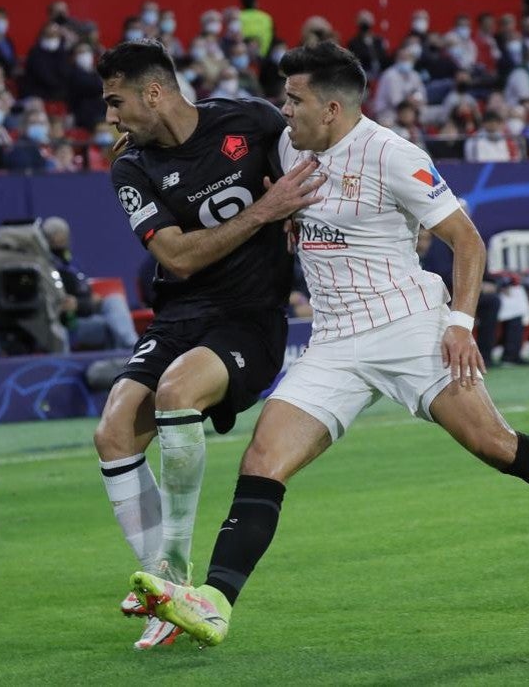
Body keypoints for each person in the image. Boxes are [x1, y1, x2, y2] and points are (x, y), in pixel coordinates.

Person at [130, 42, 529, 648]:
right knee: (262, 463)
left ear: (333, 108)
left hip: (409, 326)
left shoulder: (394, 155)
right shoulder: (289, 146)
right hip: (335, 340)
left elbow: (467, 242)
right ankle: (214, 603)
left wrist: (460, 325)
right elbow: (209, 143)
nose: (283, 109)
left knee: (494, 445)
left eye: (295, 99)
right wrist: (138, 137)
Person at [92, 40, 325, 651]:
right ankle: (168, 599)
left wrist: (292, 209)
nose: (110, 118)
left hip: (249, 320)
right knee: (113, 431)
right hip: (181, 316)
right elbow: (175, 257)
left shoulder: (250, 122)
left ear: (154, 92)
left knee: (176, 391)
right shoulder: (130, 167)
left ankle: (169, 571)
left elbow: (314, 167)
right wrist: (264, 211)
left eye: (116, 102)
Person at [38, 216, 139, 351]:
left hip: (88, 309)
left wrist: (87, 302)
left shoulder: (72, 263)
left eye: (62, 234)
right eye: (54, 235)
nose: (59, 239)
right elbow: (67, 305)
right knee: (108, 325)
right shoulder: (46, 268)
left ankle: (133, 346)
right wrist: (85, 303)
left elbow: (84, 297)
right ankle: (128, 353)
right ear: (46, 240)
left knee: (114, 300)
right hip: (70, 323)